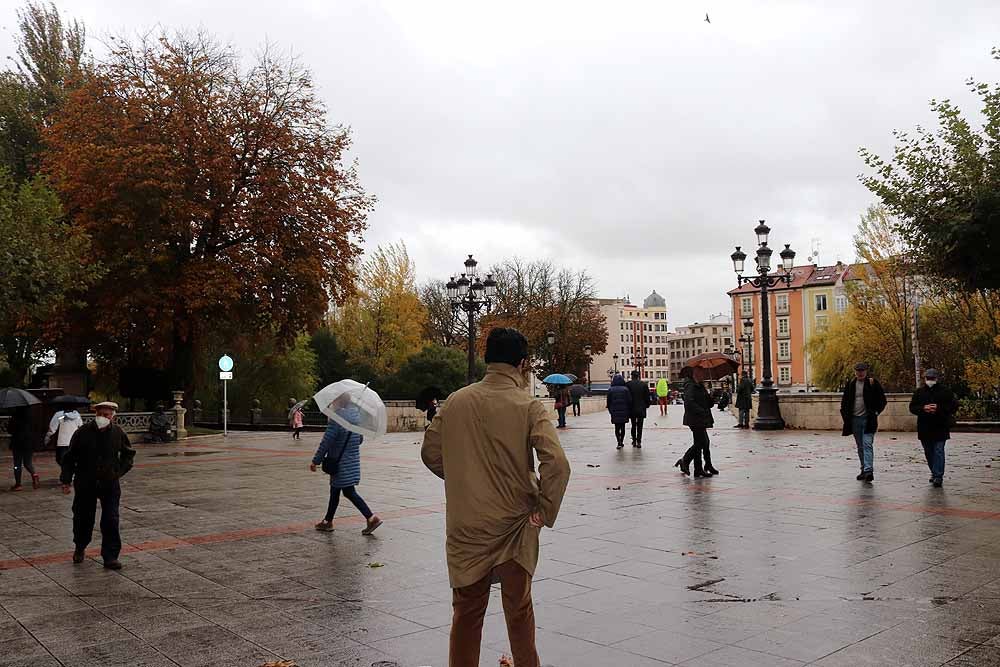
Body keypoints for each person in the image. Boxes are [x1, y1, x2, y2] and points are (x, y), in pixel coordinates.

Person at [421, 327, 571, 667]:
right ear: (522, 364)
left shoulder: (455, 401)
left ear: (488, 360)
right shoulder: (528, 405)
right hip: (516, 524)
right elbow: (557, 464)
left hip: (467, 527)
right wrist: (544, 510)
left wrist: (465, 477)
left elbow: (431, 452)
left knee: (466, 614)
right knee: (519, 612)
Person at [60, 401, 135, 569]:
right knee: (82, 517)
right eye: (101, 414)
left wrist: (118, 472)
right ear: (96, 415)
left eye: (107, 415)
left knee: (111, 519)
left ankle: (110, 556)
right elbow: (69, 458)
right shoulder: (82, 432)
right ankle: (80, 546)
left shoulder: (117, 432)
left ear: (113, 417)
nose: (103, 417)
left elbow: (128, 455)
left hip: (109, 483)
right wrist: (66, 480)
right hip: (86, 482)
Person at [309, 401, 382, 535]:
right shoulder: (356, 419)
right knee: (335, 491)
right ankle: (328, 521)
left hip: (339, 463)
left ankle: (372, 518)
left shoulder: (337, 420)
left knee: (348, 492)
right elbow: (359, 440)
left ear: (338, 403)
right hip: (351, 462)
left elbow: (326, 443)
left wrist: (316, 461)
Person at [909, 369, 958, 488]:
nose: (930, 381)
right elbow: (912, 407)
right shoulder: (919, 392)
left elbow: (953, 406)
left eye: (932, 378)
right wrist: (923, 408)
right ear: (925, 379)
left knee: (939, 451)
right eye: (928, 378)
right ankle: (934, 471)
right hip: (925, 427)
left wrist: (938, 408)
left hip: (940, 426)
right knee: (929, 452)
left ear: (937, 379)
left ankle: (938, 476)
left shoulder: (945, 392)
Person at [840, 362, 887, 482]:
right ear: (855, 372)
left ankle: (868, 470)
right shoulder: (851, 384)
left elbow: (882, 400)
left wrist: (876, 412)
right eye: (858, 371)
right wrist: (846, 416)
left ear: (866, 371)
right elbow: (845, 402)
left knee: (867, 444)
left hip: (868, 420)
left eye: (862, 371)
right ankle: (863, 469)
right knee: (860, 446)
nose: (860, 373)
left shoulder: (872, 383)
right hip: (854, 420)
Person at [675, 368, 718, 477]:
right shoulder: (690, 385)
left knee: (703, 443)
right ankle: (685, 460)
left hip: (701, 419)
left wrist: (712, 396)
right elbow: (689, 402)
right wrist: (701, 410)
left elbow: (708, 403)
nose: (703, 374)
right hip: (695, 419)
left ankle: (699, 468)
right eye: (701, 372)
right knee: (701, 443)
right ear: (694, 373)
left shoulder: (700, 385)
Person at [8, 406, 38, 491]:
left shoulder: (14, 418)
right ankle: (34, 474)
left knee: (17, 465)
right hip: (29, 443)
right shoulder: (31, 418)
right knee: (28, 463)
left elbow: (10, 430)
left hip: (17, 443)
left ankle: (18, 484)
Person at [625, 370, 651, 448]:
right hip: (641, 408)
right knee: (640, 425)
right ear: (638, 376)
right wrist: (647, 405)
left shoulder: (627, 384)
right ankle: (639, 441)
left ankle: (634, 441)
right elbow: (647, 397)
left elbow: (626, 396)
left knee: (633, 425)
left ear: (632, 376)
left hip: (631, 408)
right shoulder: (643, 385)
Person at [606, 373, 631, 449]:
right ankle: (622, 441)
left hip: (615, 411)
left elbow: (608, 402)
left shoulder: (611, 390)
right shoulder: (626, 389)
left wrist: (611, 410)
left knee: (617, 428)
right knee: (622, 427)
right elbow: (629, 400)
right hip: (624, 411)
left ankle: (618, 442)